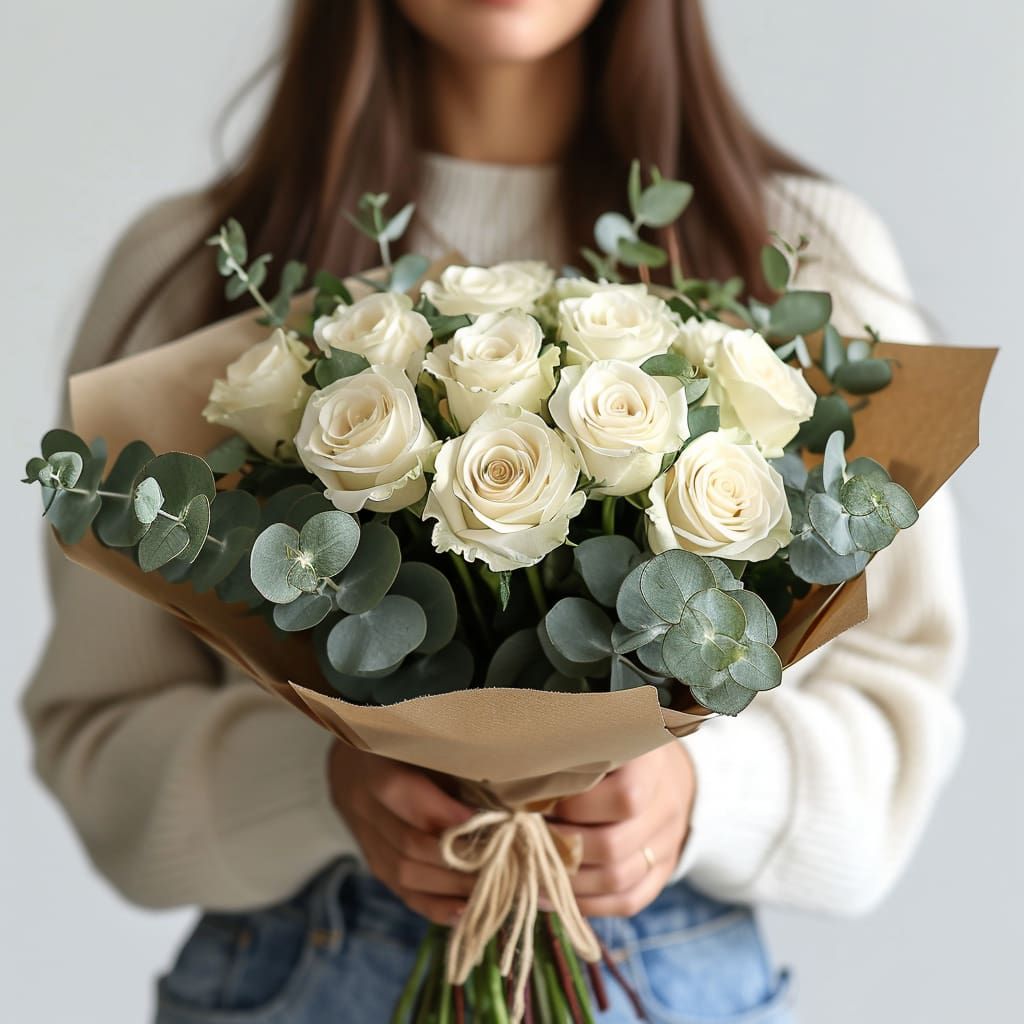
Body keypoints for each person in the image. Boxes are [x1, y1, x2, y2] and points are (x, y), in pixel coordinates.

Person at [22, 1, 967, 1021]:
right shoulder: (196, 267)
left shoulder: (808, 257)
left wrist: (704, 796)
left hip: (668, 970)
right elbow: (97, 731)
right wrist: (318, 784)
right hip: (306, 971)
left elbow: (896, 704)